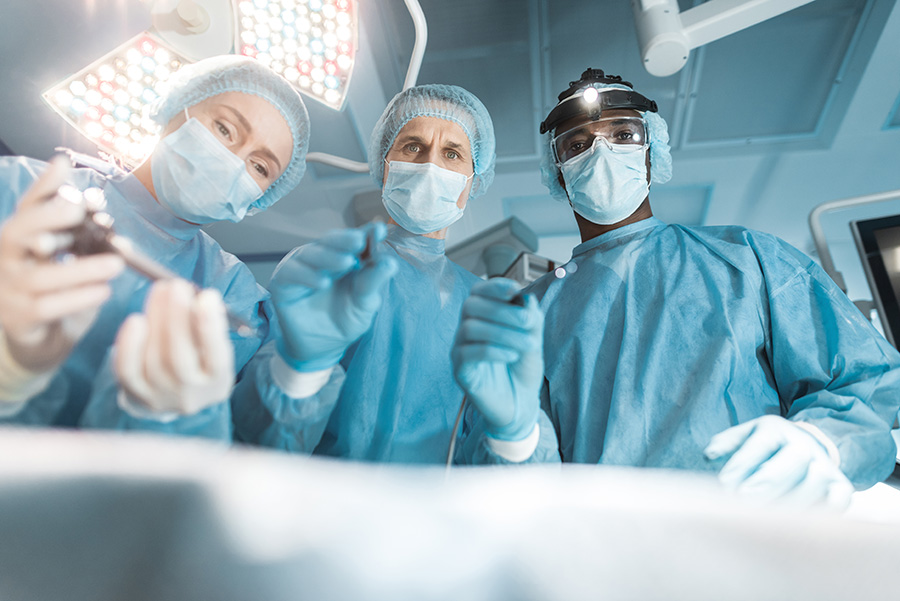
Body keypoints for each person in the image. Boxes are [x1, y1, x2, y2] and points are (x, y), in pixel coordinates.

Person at [452, 68, 900, 507]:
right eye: (578, 144)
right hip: (606, 561)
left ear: (652, 153)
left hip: (755, 543)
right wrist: (515, 437)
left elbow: (866, 383)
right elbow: (514, 494)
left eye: (623, 135)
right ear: (559, 174)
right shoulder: (529, 313)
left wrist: (820, 441)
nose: (601, 153)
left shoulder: (748, 259)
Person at [0, 55, 310, 433]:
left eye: (260, 167)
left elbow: (240, 454)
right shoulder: (19, 188)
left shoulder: (233, 294)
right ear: (175, 106)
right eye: (225, 129)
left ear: (261, 198)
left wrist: (164, 420)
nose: (232, 161)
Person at [231, 84, 496, 462]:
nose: (429, 165)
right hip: (319, 507)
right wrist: (299, 368)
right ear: (384, 163)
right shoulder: (324, 269)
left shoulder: (481, 305)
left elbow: (484, 461)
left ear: (474, 179)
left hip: (427, 516)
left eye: (452, 153)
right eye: (413, 147)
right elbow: (260, 441)